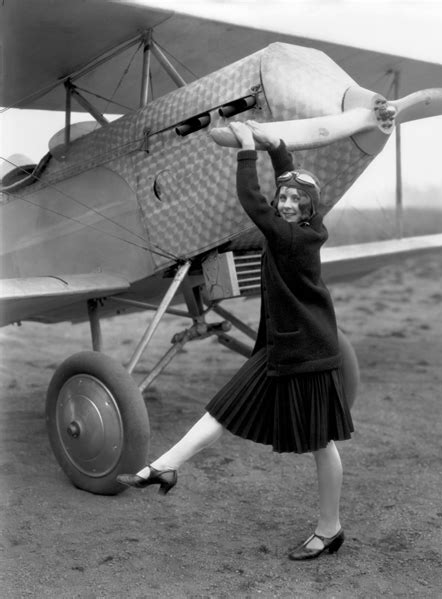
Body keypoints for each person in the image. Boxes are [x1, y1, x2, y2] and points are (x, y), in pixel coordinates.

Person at [117, 120, 354, 561]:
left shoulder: (287, 237)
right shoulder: (310, 227)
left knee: (322, 445)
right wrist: (278, 147)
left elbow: (251, 200)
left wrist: (246, 149)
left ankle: (330, 529)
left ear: (308, 210)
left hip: (301, 352)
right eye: (283, 197)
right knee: (225, 408)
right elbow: (284, 185)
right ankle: (164, 466)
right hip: (288, 346)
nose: (284, 204)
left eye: (293, 201)